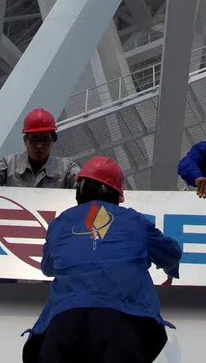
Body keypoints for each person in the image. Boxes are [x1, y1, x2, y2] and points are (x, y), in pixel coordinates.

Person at [23, 155, 181, 363]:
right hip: (122, 321)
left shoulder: (59, 223)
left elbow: (48, 267)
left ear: (80, 189)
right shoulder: (134, 221)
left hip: (64, 322)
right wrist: (169, 269)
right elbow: (171, 252)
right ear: (117, 195)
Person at [0, 108, 79, 189]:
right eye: (34, 140)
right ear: (25, 140)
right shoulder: (10, 164)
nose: (39, 146)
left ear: (53, 139)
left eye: (45, 140)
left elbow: (82, 184)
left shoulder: (66, 168)